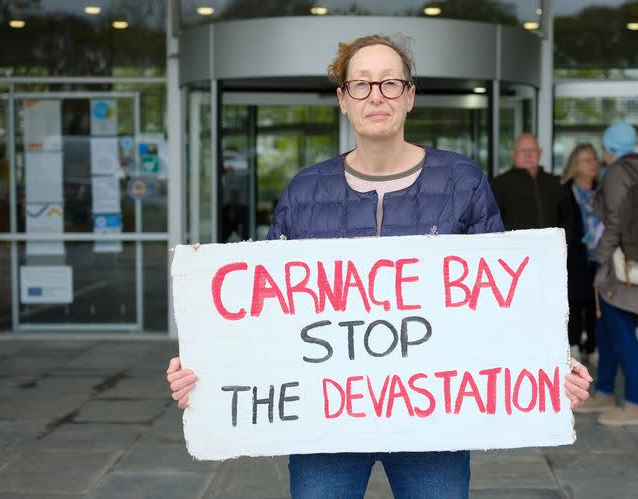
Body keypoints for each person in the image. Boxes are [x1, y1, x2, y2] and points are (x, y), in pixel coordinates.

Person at [166, 34, 593, 498]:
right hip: (324, 423)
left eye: (390, 83)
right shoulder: (304, 193)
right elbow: (268, 318)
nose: (376, 96)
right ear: (343, 100)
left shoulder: (462, 182)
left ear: (409, 96)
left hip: (434, 419)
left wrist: (549, 365)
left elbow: (501, 301)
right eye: (362, 84)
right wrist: (209, 369)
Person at [574, 122, 638, 426]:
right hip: (634, 258)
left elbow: (614, 222)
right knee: (607, 330)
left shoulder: (616, 174)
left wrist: (599, 258)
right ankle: (605, 391)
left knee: (622, 332)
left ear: (609, 148)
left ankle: (635, 402)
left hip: (617, 264)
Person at [560, 144, 603, 365]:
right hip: (575, 254)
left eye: (594, 159)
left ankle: (594, 344)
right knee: (574, 300)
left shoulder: (603, 189)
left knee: (596, 302)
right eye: (587, 160)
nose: (593, 164)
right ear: (575, 165)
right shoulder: (565, 190)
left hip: (601, 256)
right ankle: (574, 343)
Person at [490, 133, 571, 232]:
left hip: (551, 245)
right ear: (513, 154)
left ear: (540, 153)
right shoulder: (499, 184)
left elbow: (568, 220)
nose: (528, 155)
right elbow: (493, 223)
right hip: (516, 246)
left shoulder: (555, 183)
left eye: (532, 150)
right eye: (523, 150)